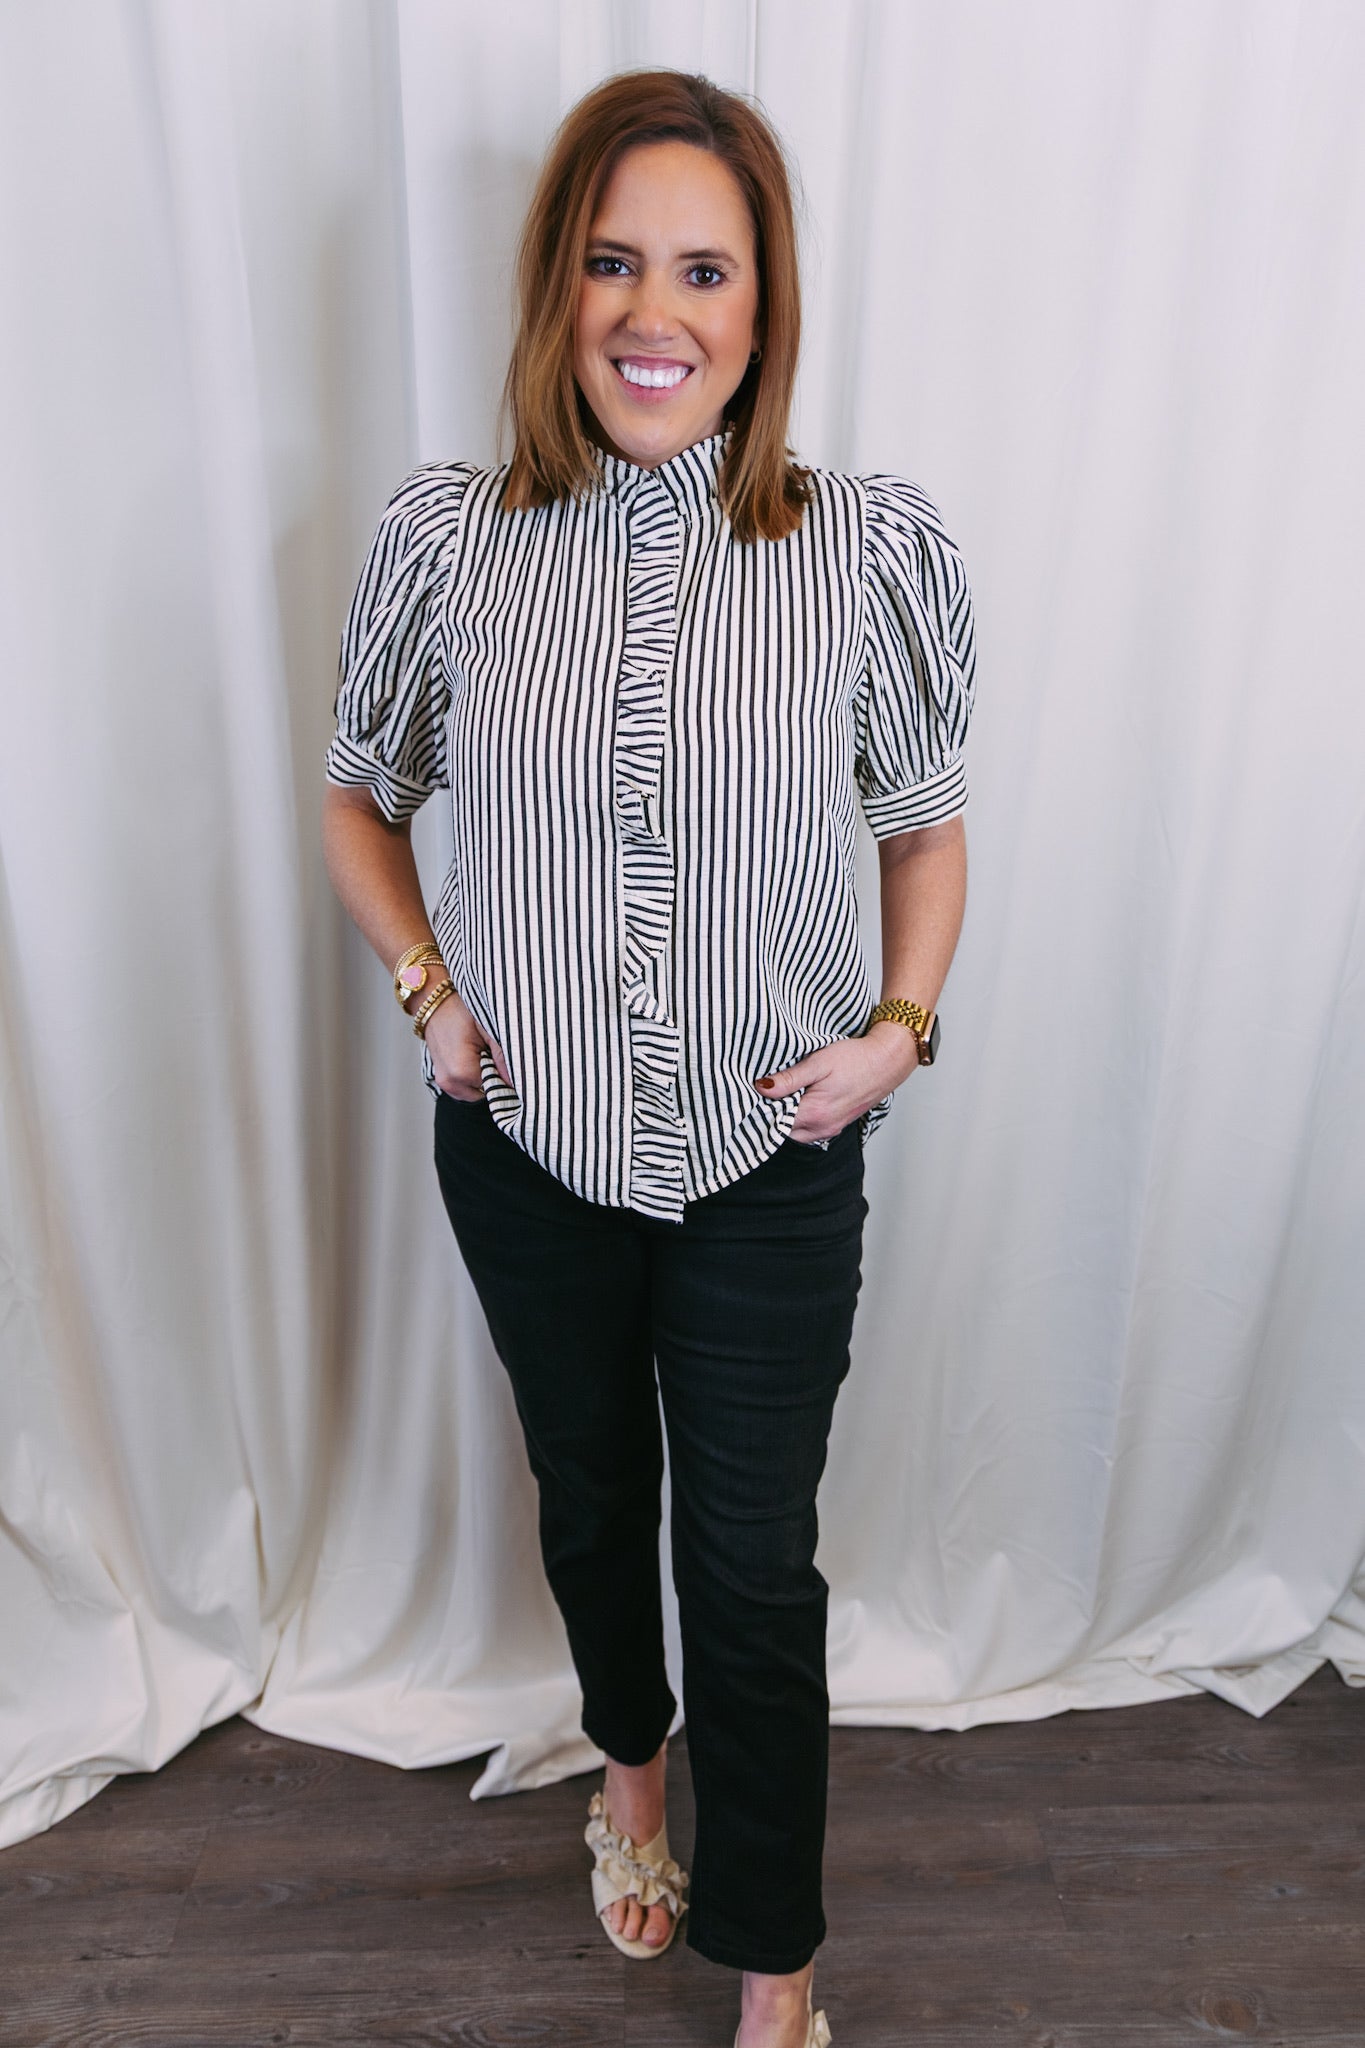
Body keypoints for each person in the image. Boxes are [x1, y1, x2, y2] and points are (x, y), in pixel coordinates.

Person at [322, 67, 975, 2048]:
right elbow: (361, 791)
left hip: (772, 1164)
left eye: (701, 269)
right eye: (611, 264)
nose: (650, 313)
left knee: (751, 1566)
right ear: (555, 290)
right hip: (527, 1156)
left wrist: (894, 1029)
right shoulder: (449, 537)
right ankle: (627, 1776)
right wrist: (433, 993)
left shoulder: (863, 547)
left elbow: (923, 819)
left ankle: (773, 1970)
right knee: (592, 1500)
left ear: (763, 308)